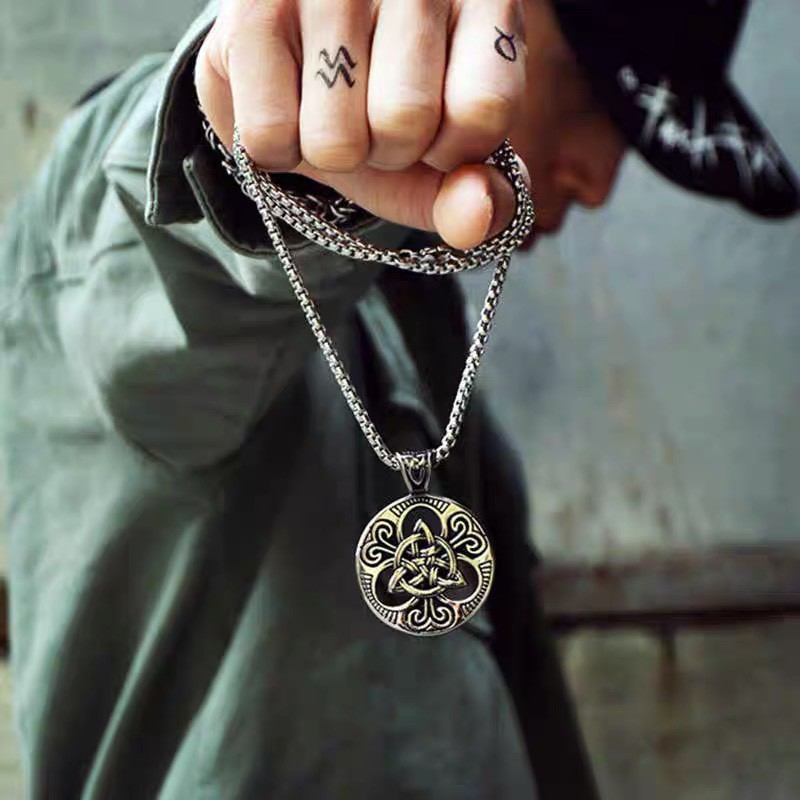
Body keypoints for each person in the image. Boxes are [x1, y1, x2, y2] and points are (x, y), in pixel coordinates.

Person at [0, 0, 796, 797]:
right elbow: (164, 266)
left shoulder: (422, 313)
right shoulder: (103, 229)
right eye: (589, 95)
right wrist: (274, 160)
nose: (599, 180)